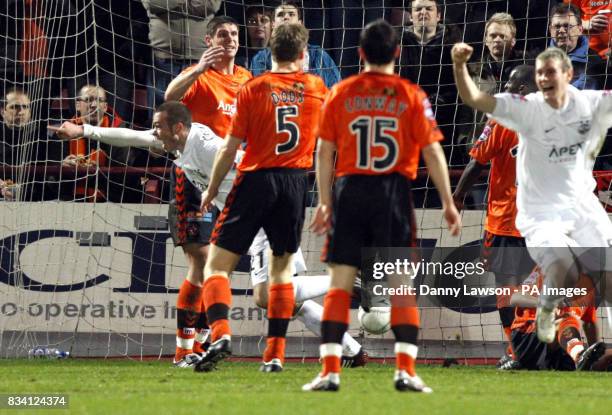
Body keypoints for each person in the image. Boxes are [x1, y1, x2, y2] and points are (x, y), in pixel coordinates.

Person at [49, 101, 367, 368]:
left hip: (264, 213)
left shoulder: (205, 144)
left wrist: (236, 193)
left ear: (179, 128)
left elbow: (245, 162)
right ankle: (352, 349)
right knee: (280, 299)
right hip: (254, 214)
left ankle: (347, 279)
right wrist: (85, 131)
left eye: (159, 127)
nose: (154, 132)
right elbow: (132, 136)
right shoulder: (174, 143)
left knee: (266, 293)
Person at [304, 19, 461, 393]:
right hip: (392, 194)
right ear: (398, 52)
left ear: (359, 54)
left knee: (340, 286)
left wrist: (324, 201)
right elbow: (433, 151)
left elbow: (324, 152)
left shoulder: (339, 92)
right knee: (401, 285)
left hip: (351, 192)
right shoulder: (410, 94)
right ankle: (405, 370)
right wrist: (448, 201)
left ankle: (329, 370)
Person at [452, 43, 612, 345]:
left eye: (550, 72)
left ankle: (571, 338)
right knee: (560, 273)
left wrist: (606, 52)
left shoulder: (587, 103)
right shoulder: (519, 111)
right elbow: (473, 100)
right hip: (530, 215)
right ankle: (548, 324)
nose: (544, 79)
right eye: (541, 74)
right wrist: (460, 65)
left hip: (565, 210)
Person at [195, 23, 328, 374]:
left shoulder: (253, 87)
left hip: (256, 180)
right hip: (296, 184)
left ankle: (221, 333)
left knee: (216, 266)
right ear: (303, 55)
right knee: (282, 273)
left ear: (269, 52)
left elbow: (230, 146)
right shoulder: (316, 87)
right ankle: (274, 356)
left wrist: (211, 189)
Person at [453, 65, 537, 369]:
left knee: (507, 288)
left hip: (508, 220)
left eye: (512, 85)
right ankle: (545, 348)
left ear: (525, 90)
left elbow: (477, 163)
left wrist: (457, 197)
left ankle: (517, 351)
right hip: (544, 222)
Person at [165, 16, 252, 138]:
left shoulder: (246, 76)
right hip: (201, 151)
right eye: (223, 35)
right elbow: (170, 96)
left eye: (234, 34)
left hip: (233, 152)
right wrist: (198, 70)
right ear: (208, 40)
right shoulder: (198, 74)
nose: (230, 39)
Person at [509, 267, 605, 371]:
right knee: (566, 318)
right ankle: (578, 355)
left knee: (606, 358)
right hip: (529, 337)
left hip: (561, 344)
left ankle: (580, 356)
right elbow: (515, 298)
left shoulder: (587, 285)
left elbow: (589, 323)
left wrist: (595, 359)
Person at [398, 0, 461, 159]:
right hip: (405, 122)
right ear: (411, 16)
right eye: (418, 9)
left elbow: (459, 88)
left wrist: (441, 103)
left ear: (438, 15)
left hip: (442, 124)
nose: (423, 12)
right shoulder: (397, 46)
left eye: (428, 9)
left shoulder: (453, 48)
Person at [142, 0, 222, 115]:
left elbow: (212, 5)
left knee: (199, 113)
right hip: (163, 59)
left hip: (200, 60)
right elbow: (152, 3)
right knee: (160, 114)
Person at [61, 84, 132, 202]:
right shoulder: (63, 131)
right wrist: (64, 169)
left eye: (99, 101)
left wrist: (98, 172)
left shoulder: (119, 132)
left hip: (109, 201)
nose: (94, 105)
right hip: (68, 200)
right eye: (88, 100)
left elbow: (122, 178)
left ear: (105, 107)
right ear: (77, 105)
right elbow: (51, 179)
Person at [249, 0, 341, 88]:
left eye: (291, 14)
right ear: (273, 24)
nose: (286, 17)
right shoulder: (260, 59)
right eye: (281, 15)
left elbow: (336, 90)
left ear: (300, 23)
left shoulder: (318, 55)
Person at [1, 89, 60, 201]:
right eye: (15, 107)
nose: (21, 112)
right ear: (2, 111)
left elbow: (52, 176)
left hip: (36, 199)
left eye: (25, 107)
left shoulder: (43, 138)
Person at [548, 3, 605, 90]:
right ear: (550, 30)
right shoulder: (538, 61)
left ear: (580, 29)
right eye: (557, 26)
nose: (562, 30)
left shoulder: (595, 64)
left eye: (567, 26)